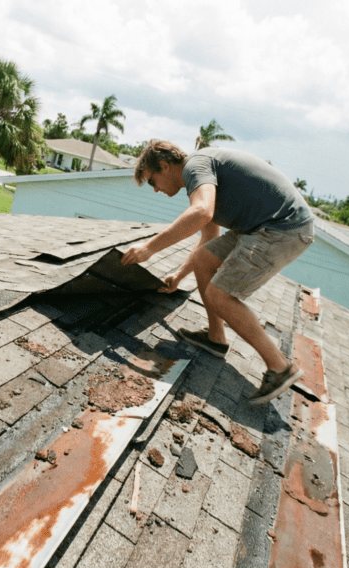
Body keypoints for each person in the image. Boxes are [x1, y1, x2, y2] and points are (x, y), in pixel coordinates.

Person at [120, 140, 315, 405]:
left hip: (283, 228)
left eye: (152, 181)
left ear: (164, 166)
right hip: (261, 227)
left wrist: (148, 249)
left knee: (220, 295)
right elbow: (208, 237)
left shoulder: (195, 167)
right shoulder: (201, 176)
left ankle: (281, 368)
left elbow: (201, 212)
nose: (155, 190)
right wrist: (179, 276)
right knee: (203, 260)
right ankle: (216, 338)